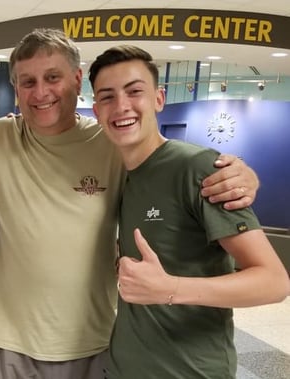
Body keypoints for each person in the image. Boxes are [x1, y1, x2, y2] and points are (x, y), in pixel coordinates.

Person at [0, 29, 260, 379]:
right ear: (15, 89)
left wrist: (240, 171)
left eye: (53, 78)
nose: (41, 93)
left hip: (94, 343)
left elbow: (165, 159)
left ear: (76, 80)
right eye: (27, 82)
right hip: (9, 346)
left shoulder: (111, 146)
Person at [88, 44, 290, 379]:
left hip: (189, 371)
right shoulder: (116, 173)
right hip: (124, 366)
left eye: (134, 91)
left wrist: (171, 288)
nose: (121, 106)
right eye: (107, 96)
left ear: (158, 99)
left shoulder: (196, 168)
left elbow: (274, 281)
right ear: (96, 111)